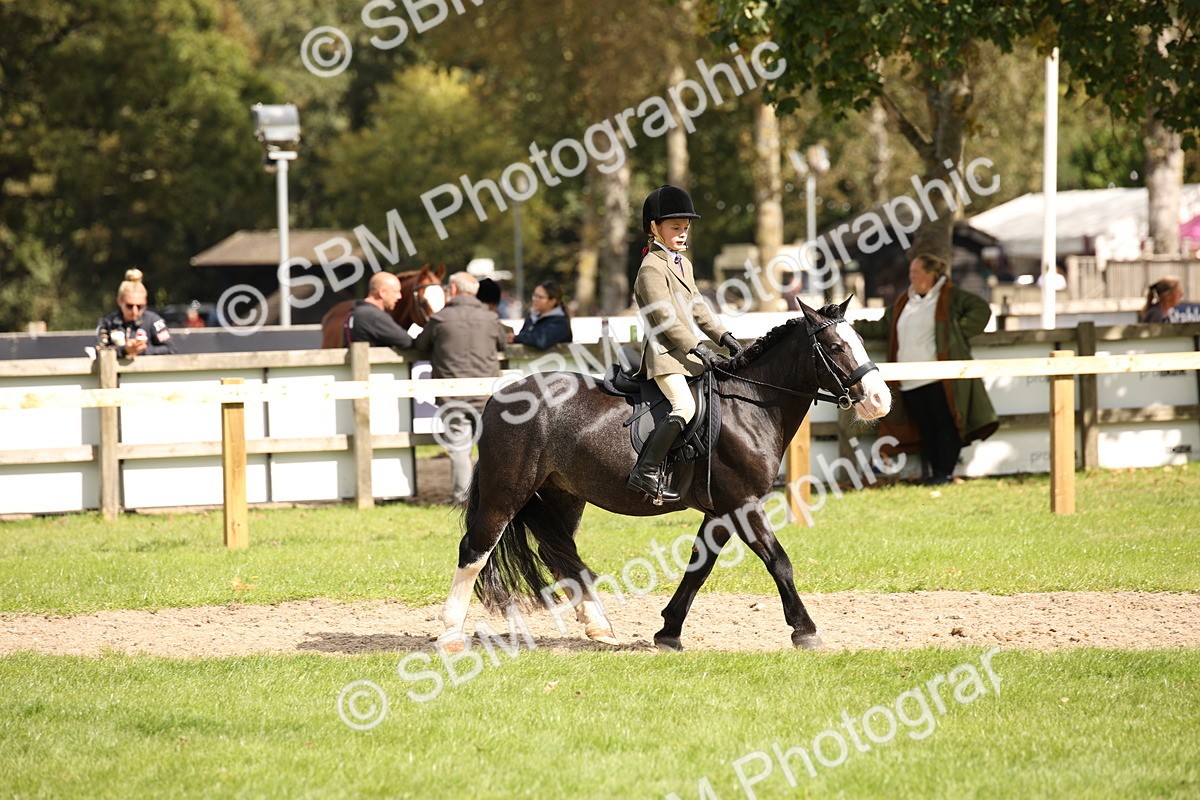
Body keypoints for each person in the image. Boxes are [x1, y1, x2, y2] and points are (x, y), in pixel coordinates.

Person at [627, 184, 742, 502]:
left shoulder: (683, 264)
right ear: (654, 228)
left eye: (685, 227)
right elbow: (666, 321)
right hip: (665, 356)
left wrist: (724, 337)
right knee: (685, 406)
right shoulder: (651, 269)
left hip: (687, 353)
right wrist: (699, 347)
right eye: (675, 227)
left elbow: (699, 308)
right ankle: (645, 470)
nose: (682, 233)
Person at [854, 253, 998, 485]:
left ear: (931, 274)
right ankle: (937, 474)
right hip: (909, 378)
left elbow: (981, 310)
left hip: (940, 377)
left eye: (916, 271)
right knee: (926, 428)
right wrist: (852, 329)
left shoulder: (951, 296)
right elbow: (883, 326)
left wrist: (955, 333)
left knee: (946, 426)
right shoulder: (905, 300)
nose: (911, 276)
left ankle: (944, 474)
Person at [413, 271, 509, 504]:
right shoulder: (490, 318)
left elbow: (420, 345)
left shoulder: (440, 319)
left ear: (454, 290)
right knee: (491, 450)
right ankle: (492, 499)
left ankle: (463, 498)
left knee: (459, 448)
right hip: (486, 395)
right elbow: (503, 343)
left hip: (452, 396)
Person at [96, 269, 176, 358]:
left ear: (145, 303)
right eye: (129, 306)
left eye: (139, 306)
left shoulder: (154, 321)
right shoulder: (107, 323)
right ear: (119, 302)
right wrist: (124, 350)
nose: (135, 311)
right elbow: (100, 351)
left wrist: (141, 351)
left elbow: (170, 349)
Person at [344, 272, 414, 348]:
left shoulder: (354, 312)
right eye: (395, 291)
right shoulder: (373, 315)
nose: (399, 296)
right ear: (382, 292)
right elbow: (407, 341)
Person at [509, 281, 573, 350]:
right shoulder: (531, 319)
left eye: (540, 297)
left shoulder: (560, 322)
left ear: (552, 301)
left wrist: (517, 338)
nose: (535, 300)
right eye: (535, 296)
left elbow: (542, 340)